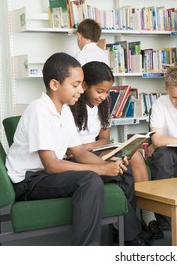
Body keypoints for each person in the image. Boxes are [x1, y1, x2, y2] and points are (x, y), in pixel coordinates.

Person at [5, 52, 129, 246]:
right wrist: (99, 169)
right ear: (55, 85)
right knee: (90, 179)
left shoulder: (64, 111)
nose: (81, 90)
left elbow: (79, 153)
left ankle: (131, 235)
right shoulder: (39, 110)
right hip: (29, 180)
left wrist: (109, 164)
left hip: (46, 174)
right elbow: (52, 165)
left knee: (121, 173)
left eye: (81, 84)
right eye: (75, 85)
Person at [69, 61, 163, 240]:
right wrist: (82, 149)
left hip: (91, 149)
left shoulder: (104, 105)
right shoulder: (72, 106)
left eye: (106, 92)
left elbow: (104, 139)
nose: (103, 96)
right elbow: (70, 149)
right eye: (99, 91)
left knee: (134, 155)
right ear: (85, 86)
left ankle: (146, 216)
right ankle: (128, 230)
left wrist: (86, 147)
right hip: (77, 156)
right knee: (124, 173)